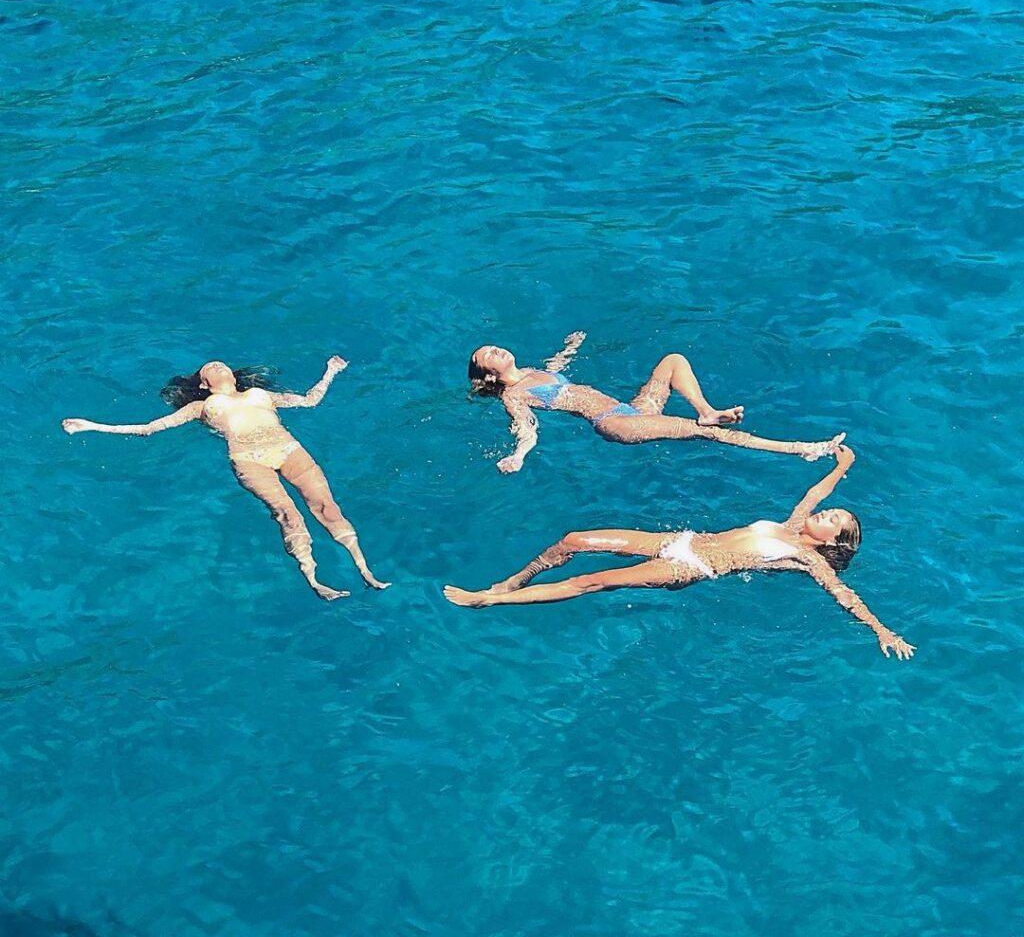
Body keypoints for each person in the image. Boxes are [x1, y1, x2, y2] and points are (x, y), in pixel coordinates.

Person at [444, 447, 915, 660]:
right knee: (574, 539)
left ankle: (490, 598)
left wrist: (881, 630)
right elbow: (815, 492)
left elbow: (842, 594)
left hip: (688, 565)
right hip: (682, 539)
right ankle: (515, 579)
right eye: (832, 511)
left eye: (835, 520)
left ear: (833, 542)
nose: (827, 513)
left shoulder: (807, 558)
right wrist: (842, 466)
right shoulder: (791, 525)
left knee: (595, 580)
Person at [62, 358, 388, 601]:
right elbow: (149, 427)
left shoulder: (262, 394)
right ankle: (315, 580)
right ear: (203, 384)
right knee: (288, 513)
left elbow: (309, 400)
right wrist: (92, 425)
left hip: (288, 448)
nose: (217, 366)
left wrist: (330, 371)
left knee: (326, 507)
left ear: (233, 374)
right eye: (209, 368)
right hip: (248, 459)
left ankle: (364, 569)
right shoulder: (201, 407)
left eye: (220, 364)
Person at [468, 332, 845, 473]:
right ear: (487, 374)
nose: (494, 349)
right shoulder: (515, 394)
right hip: (614, 424)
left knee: (673, 360)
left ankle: (707, 410)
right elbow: (525, 427)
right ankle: (801, 449)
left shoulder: (533, 372)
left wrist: (569, 349)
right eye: (487, 354)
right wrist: (519, 455)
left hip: (630, 411)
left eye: (493, 345)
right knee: (708, 436)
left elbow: (556, 372)